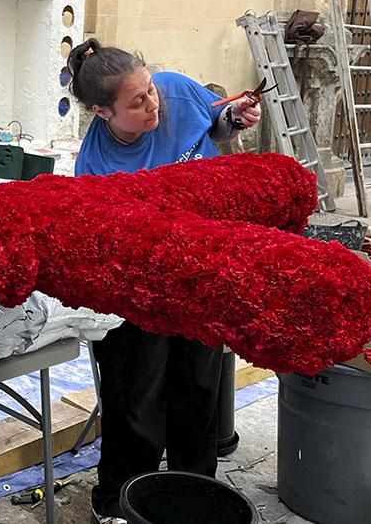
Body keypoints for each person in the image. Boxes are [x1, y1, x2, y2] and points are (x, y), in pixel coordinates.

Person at [66, 40, 261, 524]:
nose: (154, 104)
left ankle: (195, 489)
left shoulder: (174, 89)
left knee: (198, 386)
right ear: (102, 111)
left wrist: (234, 118)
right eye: (137, 102)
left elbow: (213, 125)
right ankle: (120, 501)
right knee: (137, 397)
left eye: (150, 90)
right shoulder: (97, 168)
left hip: (204, 268)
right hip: (141, 289)